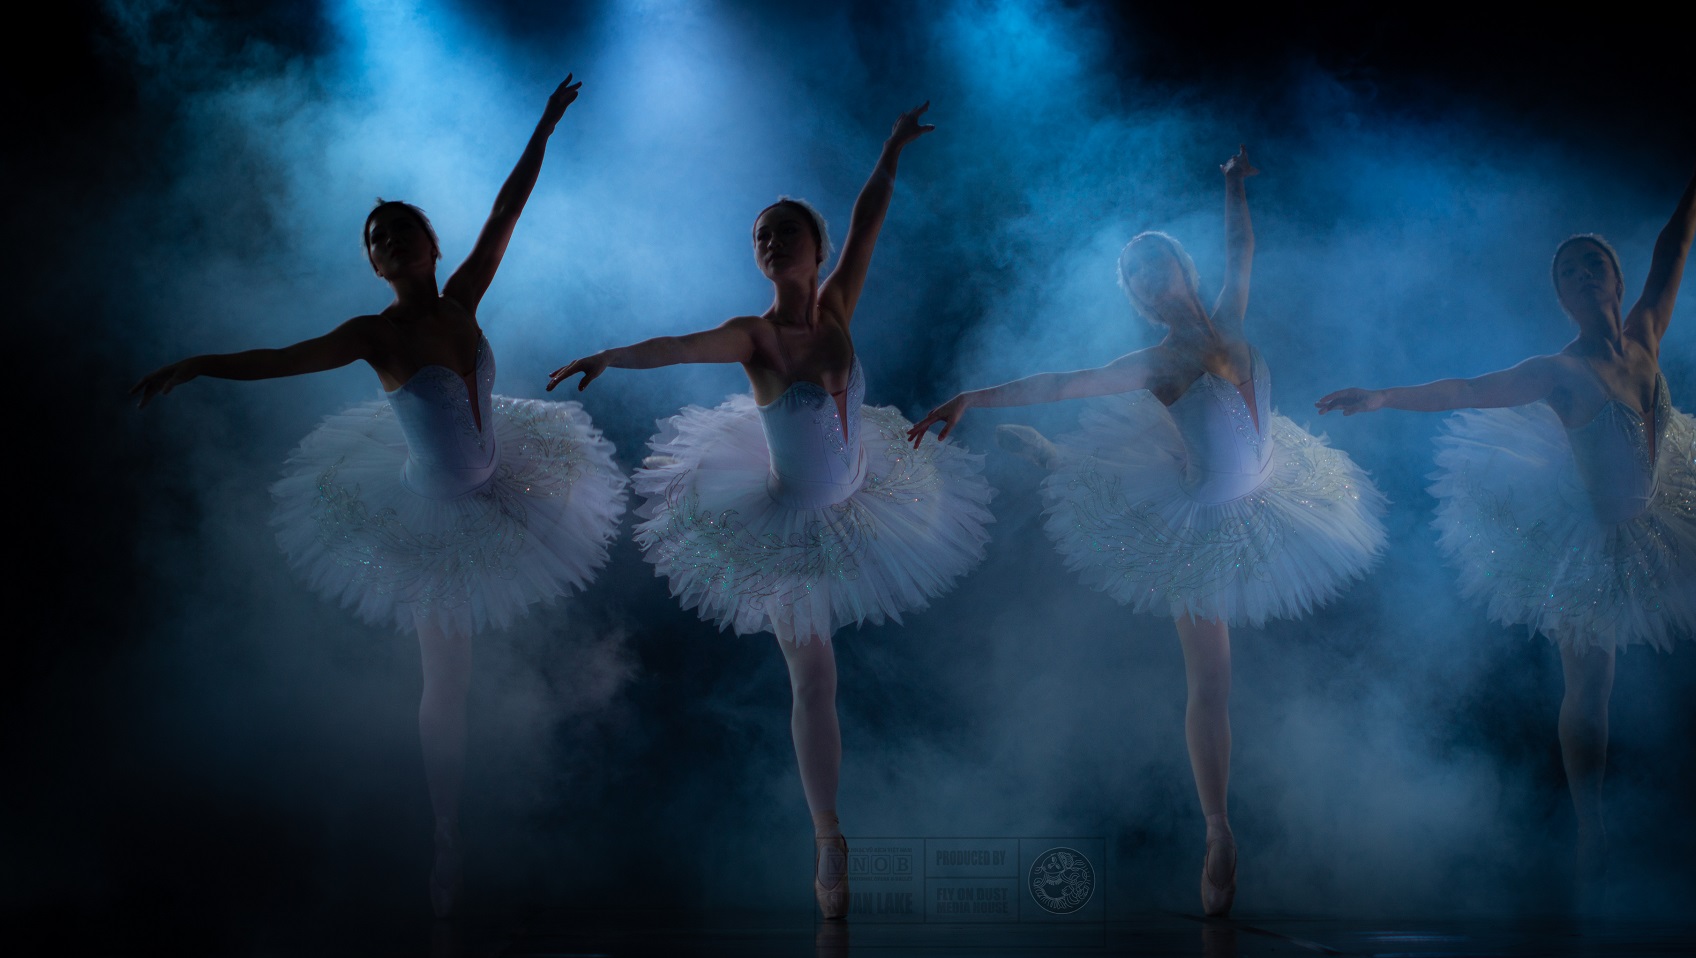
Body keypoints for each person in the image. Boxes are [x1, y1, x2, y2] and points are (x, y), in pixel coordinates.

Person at [132, 76, 625, 918]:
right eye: (376, 239)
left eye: (400, 230)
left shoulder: (464, 297)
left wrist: (545, 124)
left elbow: (508, 208)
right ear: (374, 264)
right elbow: (281, 359)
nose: (389, 241)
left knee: (545, 640)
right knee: (447, 676)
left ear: (431, 245)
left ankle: (561, 796)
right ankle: (446, 839)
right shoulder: (375, 335)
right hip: (430, 513)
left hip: (503, 482)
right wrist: (199, 364)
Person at [909, 146, 1387, 916]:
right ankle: (1218, 832)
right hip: (1198, 518)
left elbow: (1242, 248)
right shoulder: (1154, 363)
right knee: (1212, 680)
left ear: (1182, 270)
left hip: (1272, 489)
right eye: (1133, 279)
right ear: (1137, 300)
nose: (1145, 282)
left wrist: (1231, 186)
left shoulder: (1230, 317)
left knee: (1270, 655)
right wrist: (972, 396)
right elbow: (1062, 382)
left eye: (1153, 266)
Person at [548, 103, 993, 920]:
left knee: (857, 656)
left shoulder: (838, 306)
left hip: (866, 489)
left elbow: (870, 218)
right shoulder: (752, 336)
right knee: (814, 677)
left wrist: (891, 146)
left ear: (816, 249)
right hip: (786, 518)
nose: (773, 241)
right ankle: (828, 838)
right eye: (762, 235)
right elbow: (679, 346)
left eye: (787, 231)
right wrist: (612, 355)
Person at [1316, 134, 1696, 895]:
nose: (1582, 276)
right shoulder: (1558, 371)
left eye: (1593, 265)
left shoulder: (1645, 336)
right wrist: (1384, 396)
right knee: (1590, 685)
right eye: (1568, 272)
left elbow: (1672, 254)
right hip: (1585, 534)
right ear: (1561, 297)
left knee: (1639, 669)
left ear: (1614, 279)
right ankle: (1591, 826)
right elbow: (1467, 390)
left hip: (1660, 511)